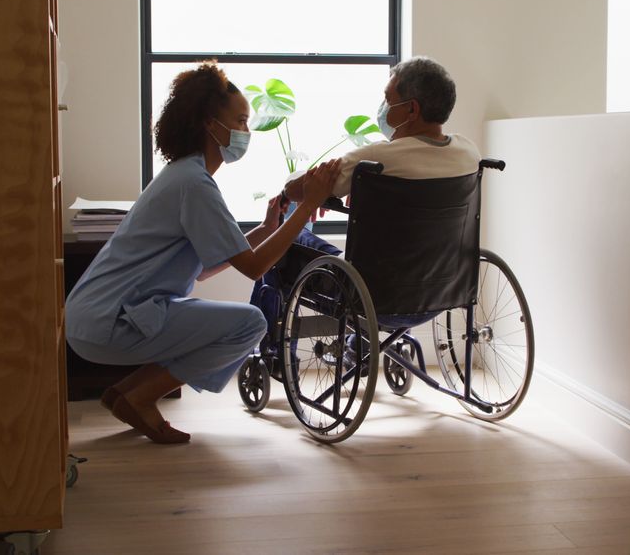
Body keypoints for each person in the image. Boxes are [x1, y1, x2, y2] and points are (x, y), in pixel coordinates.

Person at [65, 62, 340, 444]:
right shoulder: (195, 184)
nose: (247, 132)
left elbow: (205, 269)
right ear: (212, 125)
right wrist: (308, 206)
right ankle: (141, 397)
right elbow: (254, 266)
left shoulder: (184, 174)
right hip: (108, 322)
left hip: (92, 316)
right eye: (241, 121)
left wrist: (266, 227)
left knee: (224, 319)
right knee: (250, 323)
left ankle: (124, 395)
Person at [265, 56, 481, 330]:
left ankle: (270, 349)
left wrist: (291, 186)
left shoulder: (377, 159)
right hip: (442, 294)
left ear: (412, 110)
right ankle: (361, 345)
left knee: (286, 235)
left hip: (370, 298)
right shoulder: (469, 153)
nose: (384, 108)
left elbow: (300, 188)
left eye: (388, 100)